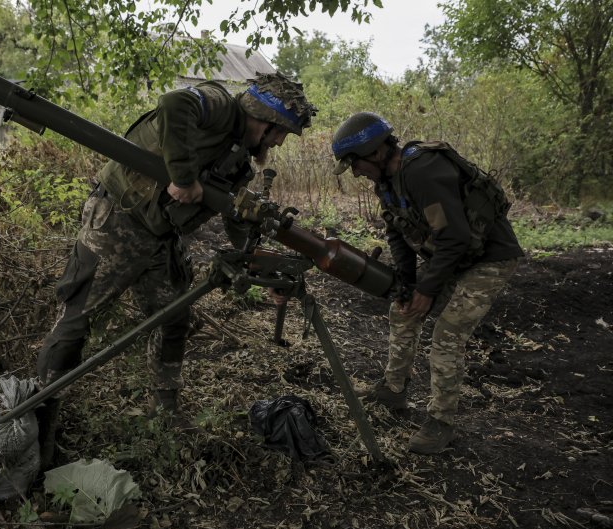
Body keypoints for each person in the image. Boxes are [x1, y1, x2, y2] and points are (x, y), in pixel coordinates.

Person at [35, 73, 317, 466]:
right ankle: (37, 425)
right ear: (264, 117)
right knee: (76, 321)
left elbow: (235, 217)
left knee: (173, 318)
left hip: (160, 238)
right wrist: (184, 178)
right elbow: (173, 103)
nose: (278, 142)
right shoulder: (218, 104)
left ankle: (164, 411)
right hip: (118, 222)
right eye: (280, 132)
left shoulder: (239, 162)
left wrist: (262, 268)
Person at [331, 112, 523, 454]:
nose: (356, 172)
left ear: (375, 152)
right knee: (402, 310)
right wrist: (407, 285)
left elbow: (455, 237)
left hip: (489, 259)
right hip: (454, 257)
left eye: (355, 163)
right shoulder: (387, 182)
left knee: (446, 335)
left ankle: (441, 423)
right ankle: (393, 389)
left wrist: (427, 289)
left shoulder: (422, 171)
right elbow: (397, 234)